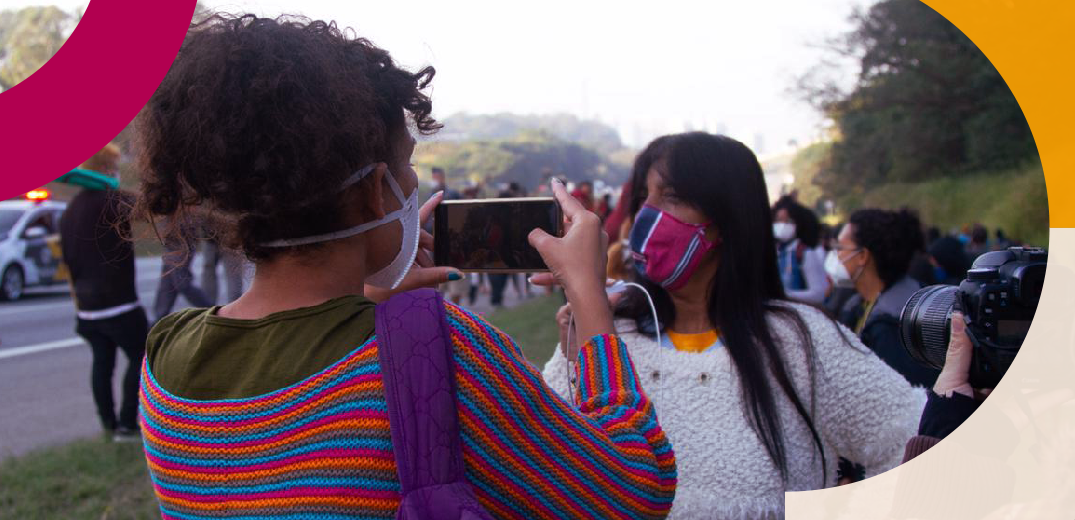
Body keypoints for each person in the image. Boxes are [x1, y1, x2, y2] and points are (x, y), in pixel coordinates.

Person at [134, 15, 674, 519]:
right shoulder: (443, 346)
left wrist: (375, 308)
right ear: (375, 191)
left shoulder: (167, 354)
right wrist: (587, 292)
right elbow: (633, 489)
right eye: (405, 166)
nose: (412, 186)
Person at [544, 132, 925, 518]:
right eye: (645, 198)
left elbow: (911, 446)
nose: (648, 215)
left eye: (672, 197)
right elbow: (546, 461)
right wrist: (579, 347)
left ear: (727, 217)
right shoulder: (611, 337)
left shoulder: (800, 340)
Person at [58, 143, 147, 441]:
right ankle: (127, 424)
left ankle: (108, 424)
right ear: (107, 169)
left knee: (102, 363)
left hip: (86, 306)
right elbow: (149, 207)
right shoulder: (112, 200)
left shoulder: (71, 210)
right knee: (142, 357)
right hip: (118, 304)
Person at [829, 208, 940, 388]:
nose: (835, 256)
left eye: (840, 248)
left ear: (863, 256)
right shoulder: (859, 305)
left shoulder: (893, 326)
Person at [772, 195, 829, 305]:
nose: (782, 225)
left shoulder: (805, 253)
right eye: (778, 220)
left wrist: (785, 294)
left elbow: (818, 294)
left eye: (788, 221)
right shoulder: (775, 252)